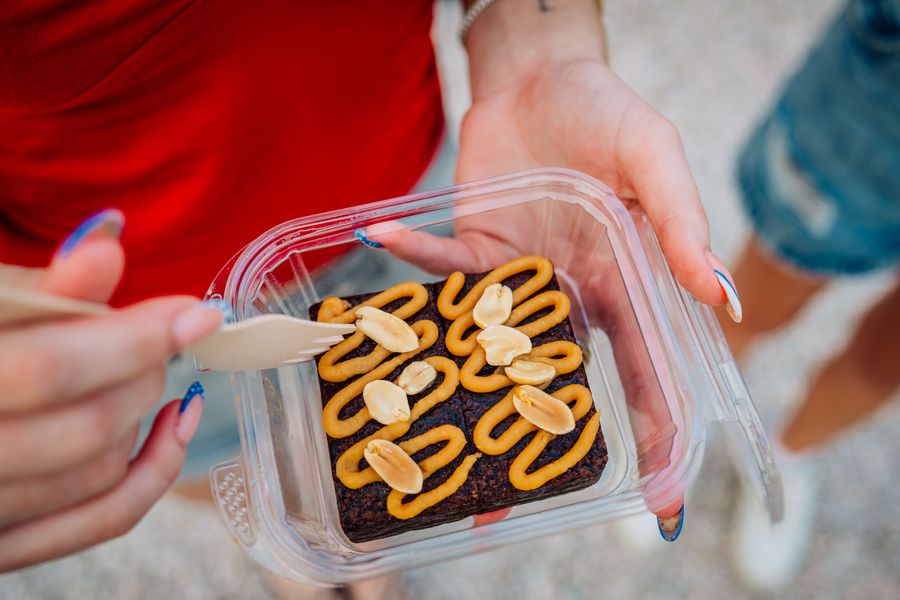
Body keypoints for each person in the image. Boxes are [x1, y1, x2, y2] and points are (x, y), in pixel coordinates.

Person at [0, 0, 739, 578]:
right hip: (111, 312)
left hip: (428, 198)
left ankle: (344, 561)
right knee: (220, 447)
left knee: (285, 466)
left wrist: (534, 51)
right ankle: (302, 559)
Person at [719, 0, 900, 590]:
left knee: (887, 360)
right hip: (883, 108)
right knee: (758, 297)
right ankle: (684, 422)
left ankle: (792, 456)